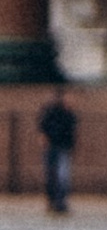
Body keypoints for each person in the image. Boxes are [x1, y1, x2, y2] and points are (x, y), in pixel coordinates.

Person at [36, 86, 76, 219]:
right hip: (52, 146)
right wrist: (44, 139)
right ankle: (52, 201)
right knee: (51, 174)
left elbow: (72, 132)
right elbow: (42, 127)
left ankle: (60, 202)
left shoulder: (69, 114)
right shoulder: (50, 112)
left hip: (63, 148)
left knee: (62, 175)